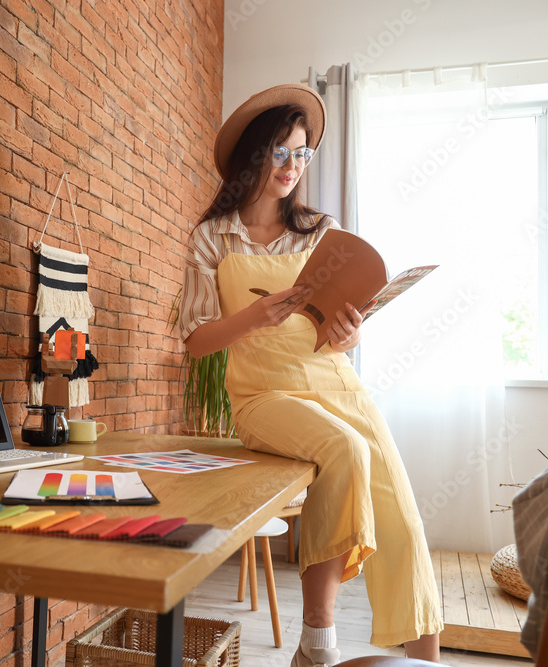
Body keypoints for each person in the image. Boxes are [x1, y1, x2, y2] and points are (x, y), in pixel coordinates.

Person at [177, 84, 443, 666]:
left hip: (337, 383)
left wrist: (351, 333)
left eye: (302, 155)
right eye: (280, 152)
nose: (292, 167)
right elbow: (196, 342)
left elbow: (338, 322)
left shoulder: (320, 229)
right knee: (345, 449)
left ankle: (427, 662)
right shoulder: (211, 237)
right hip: (263, 394)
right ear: (254, 155)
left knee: (403, 519)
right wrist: (250, 317)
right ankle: (317, 638)